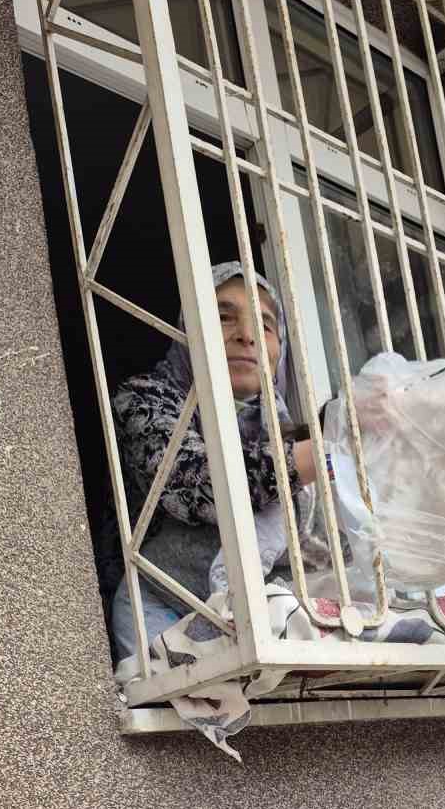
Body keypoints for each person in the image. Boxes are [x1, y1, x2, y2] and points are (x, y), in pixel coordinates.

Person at [109, 261, 329, 661]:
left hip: (260, 618)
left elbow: (329, 545)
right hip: (163, 609)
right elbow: (196, 483)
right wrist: (317, 455)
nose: (246, 336)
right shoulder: (143, 401)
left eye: (264, 326)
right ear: (187, 330)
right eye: (223, 317)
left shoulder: (286, 429)